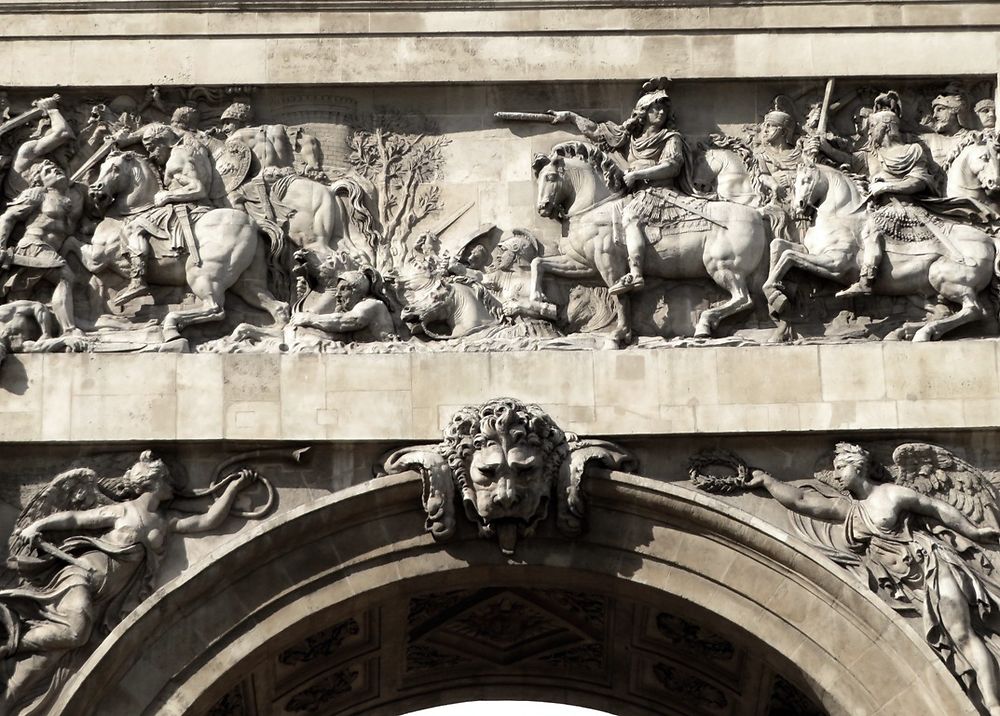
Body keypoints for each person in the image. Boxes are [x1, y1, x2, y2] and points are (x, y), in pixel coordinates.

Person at [748, 443, 1000, 716]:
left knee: (962, 634)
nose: (838, 474)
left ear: (858, 466)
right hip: (910, 587)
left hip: (932, 565)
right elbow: (803, 501)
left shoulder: (890, 494)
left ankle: (993, 703)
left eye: (841, 467)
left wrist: (973, 532)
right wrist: (768, 480)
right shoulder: (850, 510)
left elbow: (936, 507)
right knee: (956, 638)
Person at [0, 452, 257, 714]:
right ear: (154, 482)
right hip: (82, 577)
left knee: (47, 661)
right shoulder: (123, 509)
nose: (173, 487)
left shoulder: (165, 522)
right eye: (168, 481)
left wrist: (234, 488)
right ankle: (10, 642)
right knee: (76, 632)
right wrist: (39, 525)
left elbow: (207, 521)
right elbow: (75, 519)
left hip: (108, 599)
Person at [809, 92, 972, 296]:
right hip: (877, 207)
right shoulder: (870, 156)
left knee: (871, 228)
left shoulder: (913, 150)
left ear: (886, 127)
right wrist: (823, 146)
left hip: (905, 208)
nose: (869, 133)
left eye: (873, 127)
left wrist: (887, 187)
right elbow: (845, 159)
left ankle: (866, 280)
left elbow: (919, 181)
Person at [549, 82, 706, 295]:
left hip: (659, 193)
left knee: (631, 216)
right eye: (654, 108)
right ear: (643, 112)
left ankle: (635, 273)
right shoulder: (632, 138)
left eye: (663, 109)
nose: (660, 112)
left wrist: (637, 174)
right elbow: (597, 132)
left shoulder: (671, 138)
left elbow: (672, 166)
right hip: (636, 194)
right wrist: (570, 116)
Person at [115, 123, 215, 306]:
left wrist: (168, 194)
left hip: (188, 206)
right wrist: (127, 138)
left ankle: (138, 280)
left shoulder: (176, 159)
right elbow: (154, 127)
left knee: (133, 227)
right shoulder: (189, 148)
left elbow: (198, 189)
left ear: (164, 141)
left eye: (152, 148)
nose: (151, 155)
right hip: (186, 206)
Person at [0, 160, 84, 333]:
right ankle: (69, 330)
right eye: (48, 171)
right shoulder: (37, 193)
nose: (55, 170)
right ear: (40, 180)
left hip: (49, 251)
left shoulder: (73, 199)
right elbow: (7, 218)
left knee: (19, 300)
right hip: (33, 246)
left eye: (57, 168)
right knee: (66, 277)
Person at [288, 265, 395, 344]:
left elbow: (346, 321)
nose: (337, 295)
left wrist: (310, 319)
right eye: (337, 290)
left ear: (357, 290)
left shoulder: (372, 304)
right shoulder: (350, 308)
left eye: (343, 289)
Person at [3, 96, 75, 201]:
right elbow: (63, 133)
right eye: (64, 145)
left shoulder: (49, 169)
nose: (72, 151)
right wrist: (52, 110)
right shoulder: (25, 152)